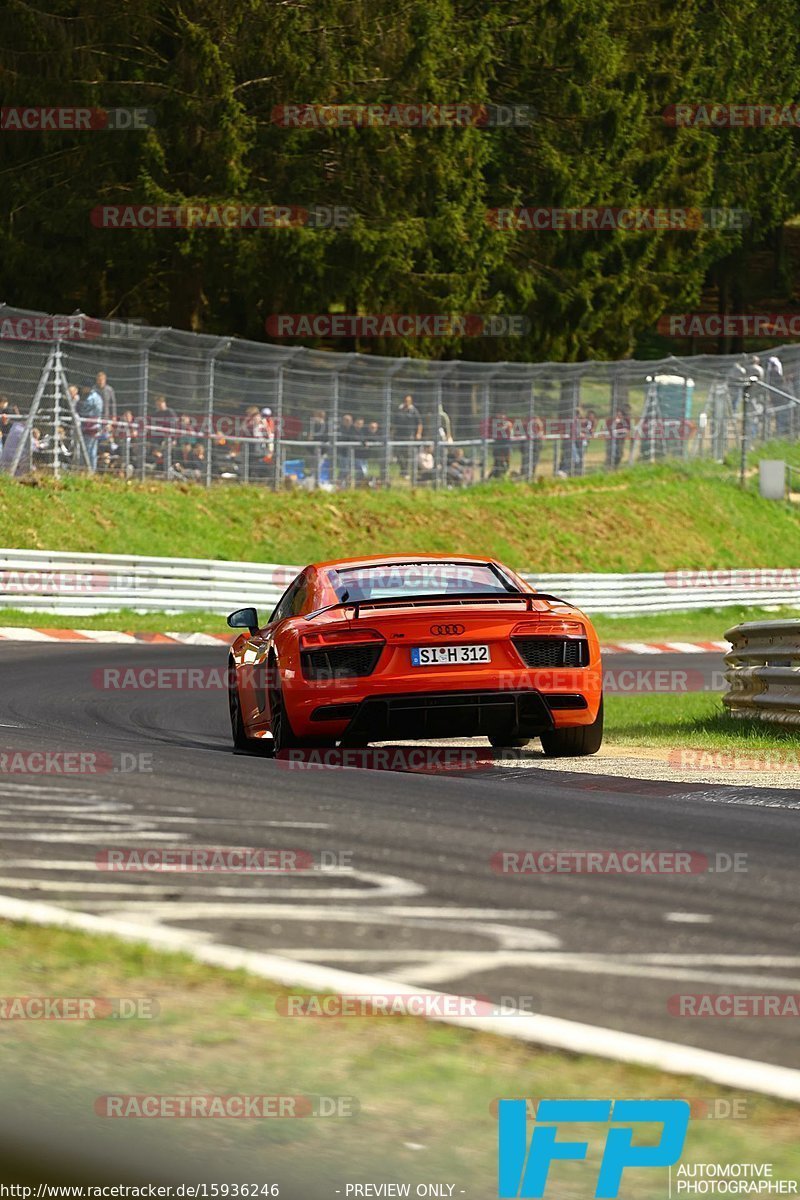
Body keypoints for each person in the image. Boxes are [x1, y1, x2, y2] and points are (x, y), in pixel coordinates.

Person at [76, 380, 103, 471]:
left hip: (90, 426)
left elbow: (85, 410)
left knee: (87, 449)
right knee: (92, 449)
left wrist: (78, 405)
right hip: (96, 425)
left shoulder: (91, 398)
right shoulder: (98, 397)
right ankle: (92, 470)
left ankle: (86, 469)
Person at [395, 394, 422, 476]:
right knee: (398, 453)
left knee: (407, 453)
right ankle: (403, 469)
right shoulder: (399, 410)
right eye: (406, 401)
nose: (407, 402)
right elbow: (394, 422)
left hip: (409, 435)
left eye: (408, 401)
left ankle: (405, 471)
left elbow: (419, 423)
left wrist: (418, 433)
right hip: (399, 435)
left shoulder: (414, 411)